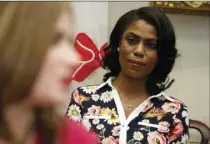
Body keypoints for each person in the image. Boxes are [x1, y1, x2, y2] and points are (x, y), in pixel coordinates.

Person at [66, 6, 189, 144]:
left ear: (160, 55)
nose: (139, 51)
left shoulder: (174, 111)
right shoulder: (82, 99)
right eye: (132, 40)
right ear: (118, 44)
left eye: (151, 45)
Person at [0, 2, 98, 144]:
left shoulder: (73, 138)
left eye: (69, 42)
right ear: (8, 42)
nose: (74, 59)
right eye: (54, 39)